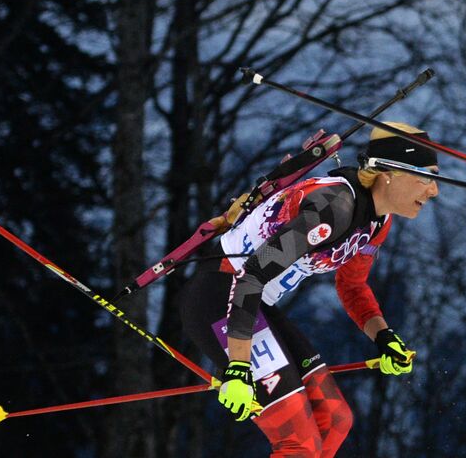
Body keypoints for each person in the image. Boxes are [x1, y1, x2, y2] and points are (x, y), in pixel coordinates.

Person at [179, 122, 440, 456]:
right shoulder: (333, 208)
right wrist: (238, 369)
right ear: (389, 173)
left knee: (334, 420)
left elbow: (353, 285)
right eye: (427, 177)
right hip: (221, 298)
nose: (434, 191)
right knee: (298, 442)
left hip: (255, 306)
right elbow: (252, 275)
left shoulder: (377, 222)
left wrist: (384, 337)